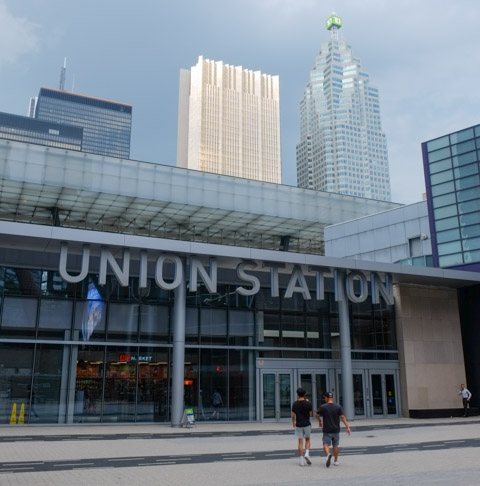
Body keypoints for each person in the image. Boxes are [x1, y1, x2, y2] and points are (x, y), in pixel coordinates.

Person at [315, 391, 351, 467]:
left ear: (327, 398)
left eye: (325, 397)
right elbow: (342, 417)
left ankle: (328, 454)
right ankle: (336, 461)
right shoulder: (338, 407)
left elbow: (316, 415)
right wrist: (347, 427)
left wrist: (320, 421)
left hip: (327, 429)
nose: (324, 399)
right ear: (332, 398)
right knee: (335, 445)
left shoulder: (323, 407)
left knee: (325, 444)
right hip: (336, 429)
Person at [291, 387, 313, 466]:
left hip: (299, 424)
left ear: (297, 394)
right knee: (307, 439)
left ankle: (301, 460)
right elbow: (310, 414)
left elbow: (293, 415)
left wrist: (293, 421)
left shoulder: (295, 404)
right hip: (307, 423)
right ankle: (307, 453)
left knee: (300, 441)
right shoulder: (308, 403)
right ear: (304, 394)